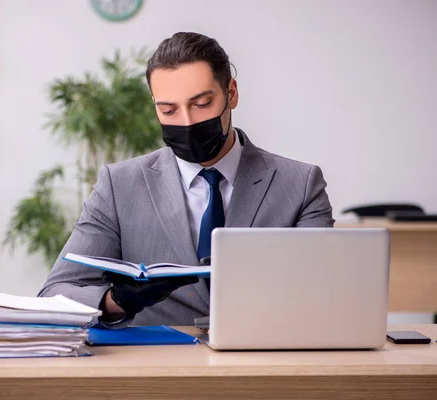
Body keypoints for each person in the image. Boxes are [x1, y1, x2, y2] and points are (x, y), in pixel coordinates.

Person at [38, 32, 334, 328]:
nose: (187, 122)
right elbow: (56, 293)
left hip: (264, 360)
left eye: (202, 103)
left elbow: (327, 295)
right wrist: (118, 301)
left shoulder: (301, 184)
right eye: (168, 110)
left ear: (231, 93)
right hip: (157, 367)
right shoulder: (118, 186)